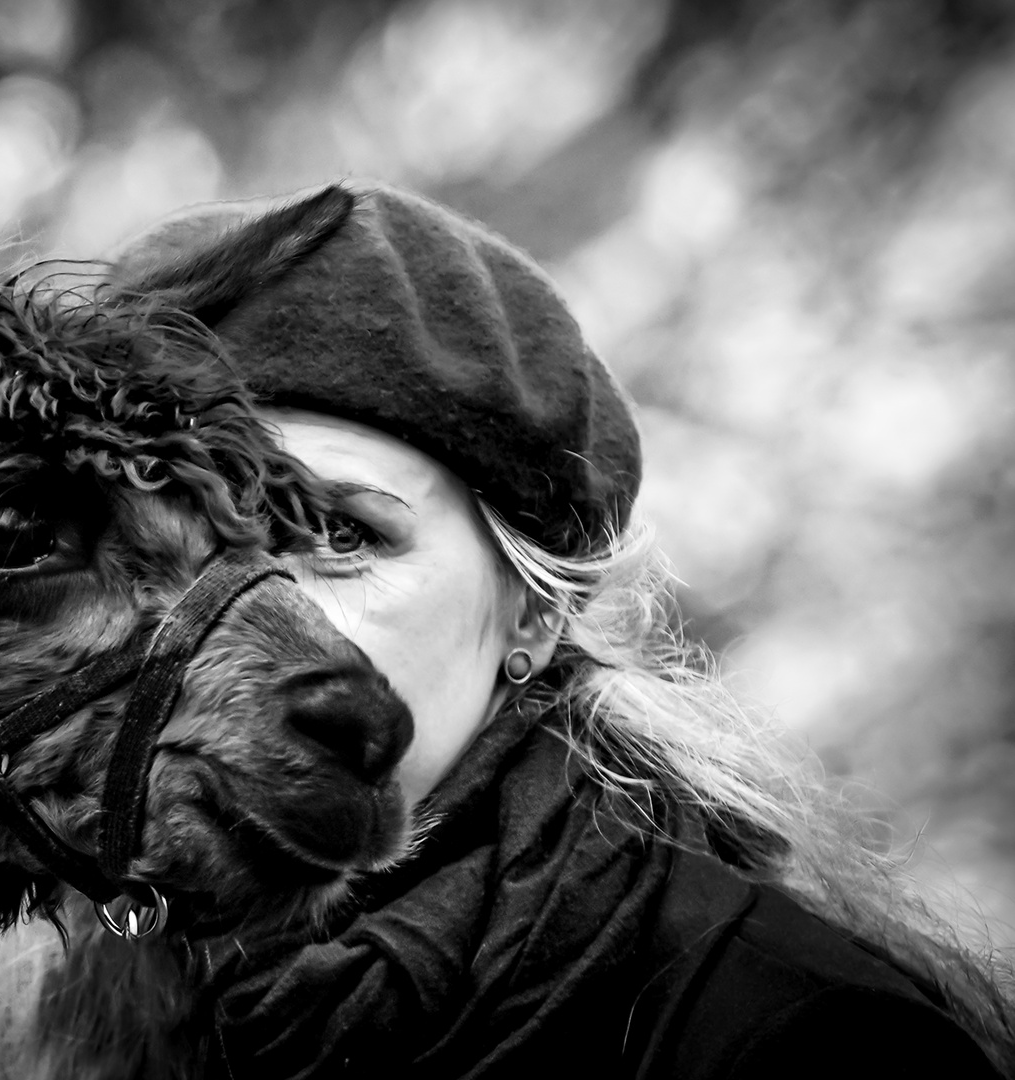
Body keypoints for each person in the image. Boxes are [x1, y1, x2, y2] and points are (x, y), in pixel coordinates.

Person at [100, 182, 1015, 1078]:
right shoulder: (34, 953)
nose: (242, 612)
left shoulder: (799, 1040)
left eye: (342, 534)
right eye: (186, 535)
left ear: (535, 608)